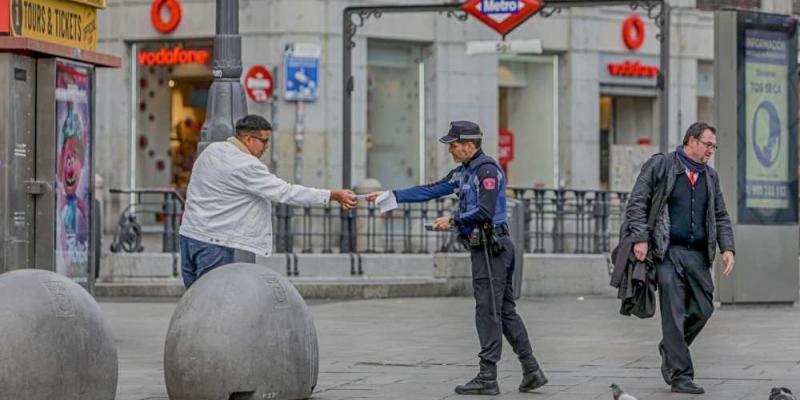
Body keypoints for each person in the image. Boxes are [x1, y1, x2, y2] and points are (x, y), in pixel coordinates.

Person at [367, 121, 547, 396]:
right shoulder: (463, 172)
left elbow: (485, 211)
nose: (450, 150)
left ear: (470, 145)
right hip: (488, 247)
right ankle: (531, 370)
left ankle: (488, 377)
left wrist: (452, 219)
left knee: (488, 312)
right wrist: (389, 197)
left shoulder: (485, 170)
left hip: (492, 249)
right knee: (505, 311)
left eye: (453, 145)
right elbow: (431, 190)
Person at [178, 114, 357, 288]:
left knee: (195, 304)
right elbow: (285, 192)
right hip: (214, 243)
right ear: (248, 139)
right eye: (264, 141)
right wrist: (331, 195)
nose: (267, 147)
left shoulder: (212, 150)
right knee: (214, 304)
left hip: (189, 236)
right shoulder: (247, 165)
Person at [624, 122, 735, 394]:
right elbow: (637, 201)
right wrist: (640, 237)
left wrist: (727, 247)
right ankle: (681, 375)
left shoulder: (709, 176)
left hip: (697, 253)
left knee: (704, 307)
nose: (711, 150)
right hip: (667, 250)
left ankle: (670, 349)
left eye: (714, 146)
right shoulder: (662, 165)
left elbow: (720, 214)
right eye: (707, 144)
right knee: (673, 313)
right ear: (691, 141)